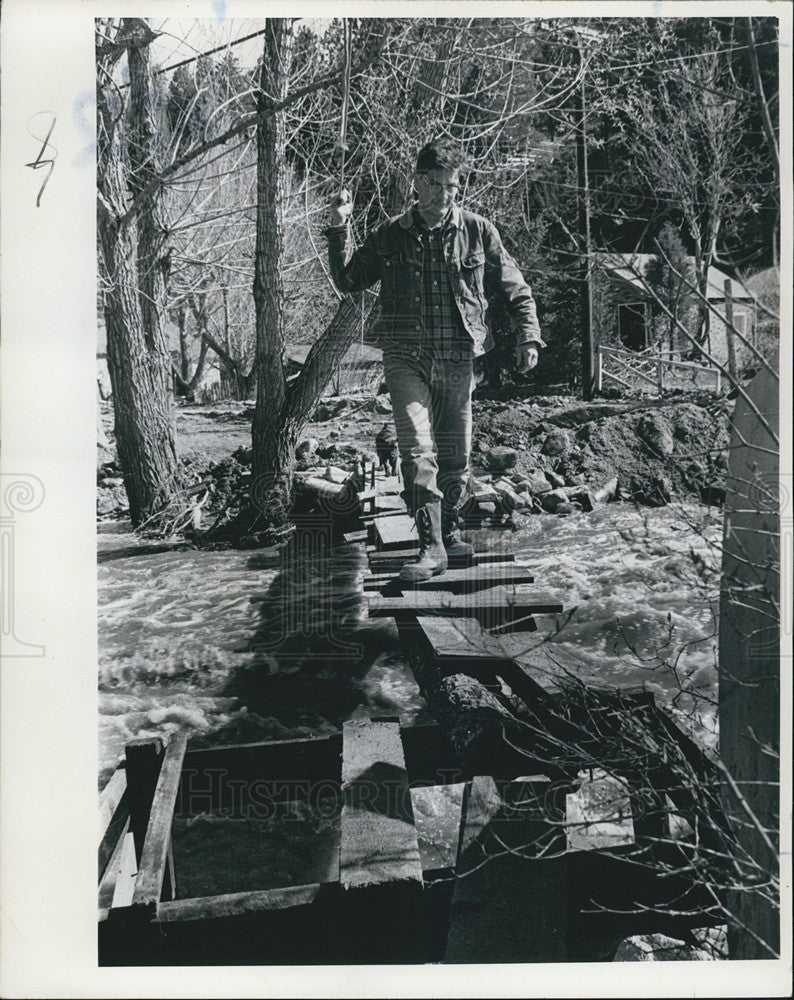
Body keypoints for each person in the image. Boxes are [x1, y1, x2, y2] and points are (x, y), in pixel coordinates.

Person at [325, 139, 544, 581]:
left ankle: (450, 532)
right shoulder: (390, 234)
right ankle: (431, 548)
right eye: (437, 185)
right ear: (418, 183)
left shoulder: (479, 231)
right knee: (417, 447)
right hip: (406, 359)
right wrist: (338, 227)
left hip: (459, 358)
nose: (445, 195)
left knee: (456, 455)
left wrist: (529, 337)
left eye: (453, 187)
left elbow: (516, 287)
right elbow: (349, 278)